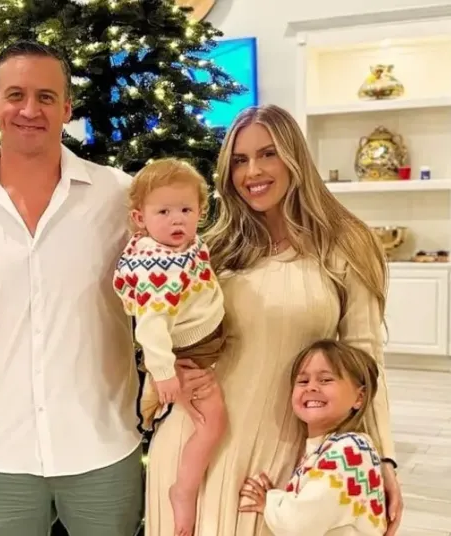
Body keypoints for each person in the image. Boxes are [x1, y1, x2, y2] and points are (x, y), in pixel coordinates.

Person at [144, 104, 404, 536]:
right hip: (195, 445)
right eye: (240, 161)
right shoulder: (211, 248)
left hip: (281, 460)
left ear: (295, 157)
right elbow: (160, 329)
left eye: (268, 154)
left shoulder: (347, 245)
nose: (252, 172)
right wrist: (172, 378)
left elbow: (364, 360)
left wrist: (382, 459)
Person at [0, 40, 143, 536]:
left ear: (66, 108)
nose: (29, 109)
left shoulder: (119, 196)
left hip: (104, 446)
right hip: (5, 453)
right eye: (16, 94)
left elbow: (163, 294)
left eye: (46, 97)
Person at [113, 158, 227, 536]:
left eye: (186, 210)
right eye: (164, 211)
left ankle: (151, 395)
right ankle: (184, 490)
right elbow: (150, 327)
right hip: (192, 351)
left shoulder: (178, 247)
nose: (177, 220)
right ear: (139, 218)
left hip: (202, 339)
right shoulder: (156, 267)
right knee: (213, 425)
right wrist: (163, 373)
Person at [238, 339, 387, 536]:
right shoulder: (330, 448)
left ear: (359, 397)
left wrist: (270, 502)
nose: (311, 387)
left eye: (325, 380)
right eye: (303, 381)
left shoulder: (350, 453)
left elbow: (299, 525)